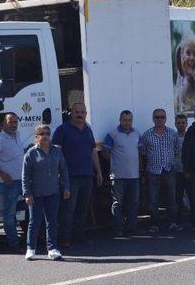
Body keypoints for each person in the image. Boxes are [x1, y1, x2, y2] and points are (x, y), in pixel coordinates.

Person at [53, 103, 103, 246]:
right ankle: (65, 238)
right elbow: (57, 153)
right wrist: (60, 174)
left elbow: (93, 152)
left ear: (86, 114)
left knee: (83, 208)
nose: (79, 114)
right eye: (77, 112)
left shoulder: (88, 130)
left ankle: (79, 236)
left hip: (87, 175)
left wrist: (98, 172)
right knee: (68, 209)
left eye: (82, 112)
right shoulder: (62, 130)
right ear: (71, 113)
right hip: (70, 176)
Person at [22, 124, 70, 261]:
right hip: (36, 194)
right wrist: (27, 194)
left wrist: (66, 187)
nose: (46, 136)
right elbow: (25, 176)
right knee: (34, 222)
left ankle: (52, 249)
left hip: (53, 192)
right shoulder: (31, 153)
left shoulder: (57, 151)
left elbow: (63, 170)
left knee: (52, 222)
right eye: (42, 133)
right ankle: (31, 249)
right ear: (36, 137)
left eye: (48, 133)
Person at [0, 113, 24, 252]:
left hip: (22, 180)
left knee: (30, 207)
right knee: (9, 214)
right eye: (10, 122)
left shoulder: (17, 135)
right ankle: (14, 244)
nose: (13, 124)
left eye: (15, 121)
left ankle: (27, 239)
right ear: (4, 124)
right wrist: (2, 174)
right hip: (9, 183)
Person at [140, 108, 182, 233]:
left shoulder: (172, 133)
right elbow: (143, 153)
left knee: (171, 199)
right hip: (153, 171)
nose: (159, 119)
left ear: (166, 119)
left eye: (162, 117)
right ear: (153, 119)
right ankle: (154, 225)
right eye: (157, 117)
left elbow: (176, 150)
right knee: (153, 200)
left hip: (169, 170)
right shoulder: (147, 135)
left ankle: (172, 223)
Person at [102, 110, 141, 237]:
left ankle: (132, 228)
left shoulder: (136, 133)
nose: (127, 122)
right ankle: (118, 228)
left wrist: (140, 168)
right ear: (120, 120)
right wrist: (115, 163)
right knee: (117, 203)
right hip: (117, 175)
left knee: (133, 203)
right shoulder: (112, 134)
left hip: (134, 175)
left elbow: (139, 152)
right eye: (124, 120)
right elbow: (105, 152)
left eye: (129, 120)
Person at [174, 114, 193, 225]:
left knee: (192, 195)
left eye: (183, 123)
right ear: (175, 124)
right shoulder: (173, 137)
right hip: (177, 171)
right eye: (178, 123)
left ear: (186, 124)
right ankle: (179, 219)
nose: (181, 125)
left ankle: (194, 218)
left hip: (188, 171)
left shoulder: (190, 137)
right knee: (178, 196)